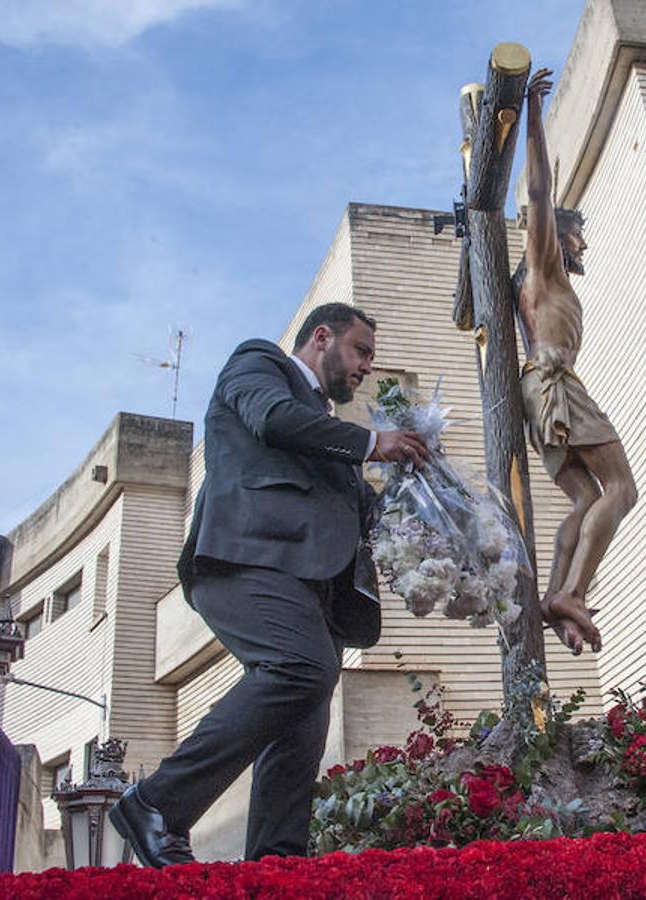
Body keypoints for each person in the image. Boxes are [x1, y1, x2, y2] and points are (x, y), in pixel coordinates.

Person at [110, 303, 429, 867]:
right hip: (245, 562)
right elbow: (275, 420)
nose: (364, 368)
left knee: (301, 723)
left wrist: (432, 509)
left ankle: (276, 866)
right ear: (321, 337)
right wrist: (372, 444)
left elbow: (358, 515)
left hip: (315, 593)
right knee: (301, 670)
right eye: (361, 352)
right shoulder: (261, 365)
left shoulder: (330, 438)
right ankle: (157, 803)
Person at [515, 67, 637, 656]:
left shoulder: (549, 285)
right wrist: (532, 115)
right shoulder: (543, 268)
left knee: (589, 500)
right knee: (622, 487)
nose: (582, 244)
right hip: (553, 381)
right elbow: (538, 193)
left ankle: (559, 597)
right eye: (576, 234)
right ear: (557, 236)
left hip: (538, 392)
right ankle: (575, 593)